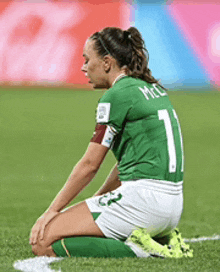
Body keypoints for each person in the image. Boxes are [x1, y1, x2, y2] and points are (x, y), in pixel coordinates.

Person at [29, 26, 193, 258]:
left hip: (143, 202)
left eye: (87, 60)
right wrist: (99, 197)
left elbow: (89, 165)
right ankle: (160, 238)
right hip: (172, 206)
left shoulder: (116, 96)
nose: (83, 67)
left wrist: (51, 211)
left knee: (43, 241)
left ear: (107, 62)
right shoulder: (151, 88)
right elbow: (129, 160)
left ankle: (144, 251)